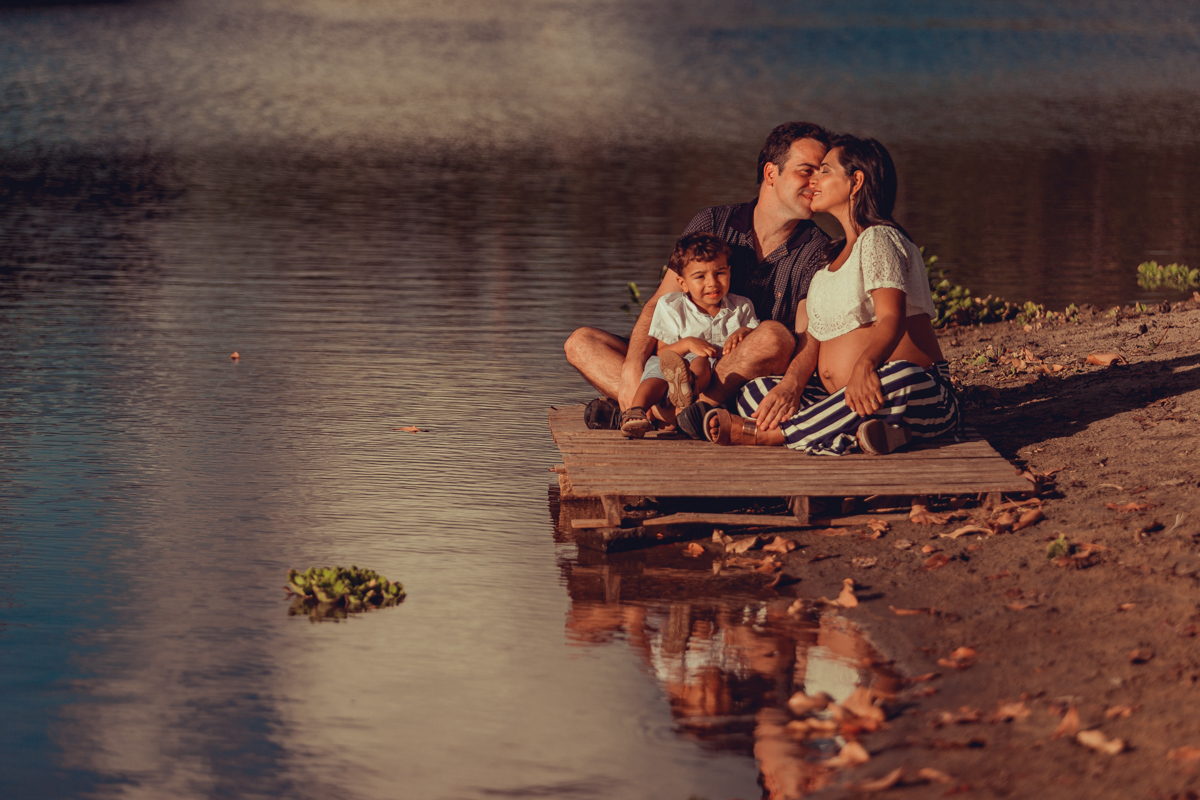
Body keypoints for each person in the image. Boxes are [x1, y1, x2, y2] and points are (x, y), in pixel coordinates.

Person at [564, 122, 833, 438]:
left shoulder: (818, 249)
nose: (817, 183)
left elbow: (806, 336)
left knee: (774, 336)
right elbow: (658, 302)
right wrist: (631, 368)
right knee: (581, 343)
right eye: (807, 171)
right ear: (771, 173)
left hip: (739, 372)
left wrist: (792, 384)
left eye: (823, 173)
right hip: (673, 360)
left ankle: (660, 411)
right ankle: (671, 412)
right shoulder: (714, 222)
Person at [704, 134, 960, 455]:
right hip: (843, 398)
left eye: (824, 170)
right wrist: (791, 387)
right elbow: (812, 338)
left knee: (897, 376)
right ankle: (873, 433)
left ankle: (775, 435)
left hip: (916, 390)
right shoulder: (828, 258)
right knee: (756, 392)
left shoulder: (879, 239)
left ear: (856, 182)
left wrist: (865, 365)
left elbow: (891, 318)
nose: (814, 180)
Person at [619, 233, 759, 438]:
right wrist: (687, 343)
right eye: (700, 277)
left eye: (719, 273)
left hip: (712, 372)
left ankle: (687, 388)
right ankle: (636, 411)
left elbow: (757, 334)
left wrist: (743, 331)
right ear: (682, 283)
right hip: (671, 361)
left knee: (701, 362)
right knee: (656, 373)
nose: (712, 283)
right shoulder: (671, 306)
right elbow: (663, 350)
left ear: (729, 272)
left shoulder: (741, 306)